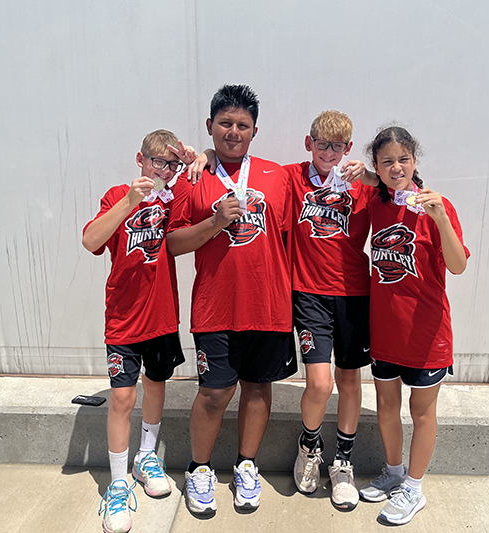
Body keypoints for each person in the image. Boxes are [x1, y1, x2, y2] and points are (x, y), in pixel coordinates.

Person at [167, 84, 296, 516]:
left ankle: (246, 465)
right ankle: (199, 468)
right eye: (225, 123)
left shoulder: (278, 176)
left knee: (258, 389)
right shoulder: (193, 177)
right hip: (215, 306)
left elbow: (326, 183)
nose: (233, 131)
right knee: (213, 394)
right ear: (210, 126)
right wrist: (214, 221)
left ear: (255, 131)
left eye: (243, 125)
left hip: (268, 305)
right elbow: (173, 244)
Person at [82, 130, 197, 533]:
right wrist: (131, 202)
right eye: (157, 162)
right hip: (124, 317)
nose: (163, 171)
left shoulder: (174, 195)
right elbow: (90, 240)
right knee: (122, 397)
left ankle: (147, 457)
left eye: (171, 164)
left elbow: (188, 220)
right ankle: (116, 484)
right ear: (140, 159)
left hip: (162, 313)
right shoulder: (117, 194)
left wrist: (196, 162)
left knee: (157, 384)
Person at [357, 126, 469, 526]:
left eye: (403, 159)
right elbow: (372, 183)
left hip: (427, 334)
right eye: (387, 160)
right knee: (387, 407)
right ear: (377, 165)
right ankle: (393, 472)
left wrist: (440, 219)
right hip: (386, 332)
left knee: (421, 412)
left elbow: (457, 264)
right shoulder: (376, 202)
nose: (396, 167)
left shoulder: (439, 207)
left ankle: (414, 488)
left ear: (415, 161)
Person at [284, 110, 372, 511]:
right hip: (309, 293)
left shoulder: (364, 185)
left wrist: (371, 176)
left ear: (349, 148)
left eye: (338, 146)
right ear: (309, 143)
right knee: (319, 384)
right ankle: (309, 446)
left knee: (349, 380)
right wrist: (209, 157)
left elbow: (408, 187)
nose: (329, 153)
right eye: (322, 144)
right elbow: (245, 170)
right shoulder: (293, 178)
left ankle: (343, 463)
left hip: (354, 294)